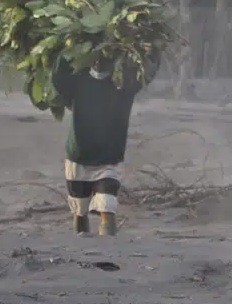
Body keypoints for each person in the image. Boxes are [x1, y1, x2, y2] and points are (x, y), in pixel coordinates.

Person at [53, 51, 160, 236]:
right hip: (79, 156)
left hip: (109, 158)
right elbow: (58, 77)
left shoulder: (123, 84)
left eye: (105, 55)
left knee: (107, 209)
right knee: (80, 212)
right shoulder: (78, 81)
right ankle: (81, 253)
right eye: (95, 55)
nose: (100, 60)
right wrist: (64, 49)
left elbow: (146, 74)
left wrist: (154, 53)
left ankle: (107, 254)